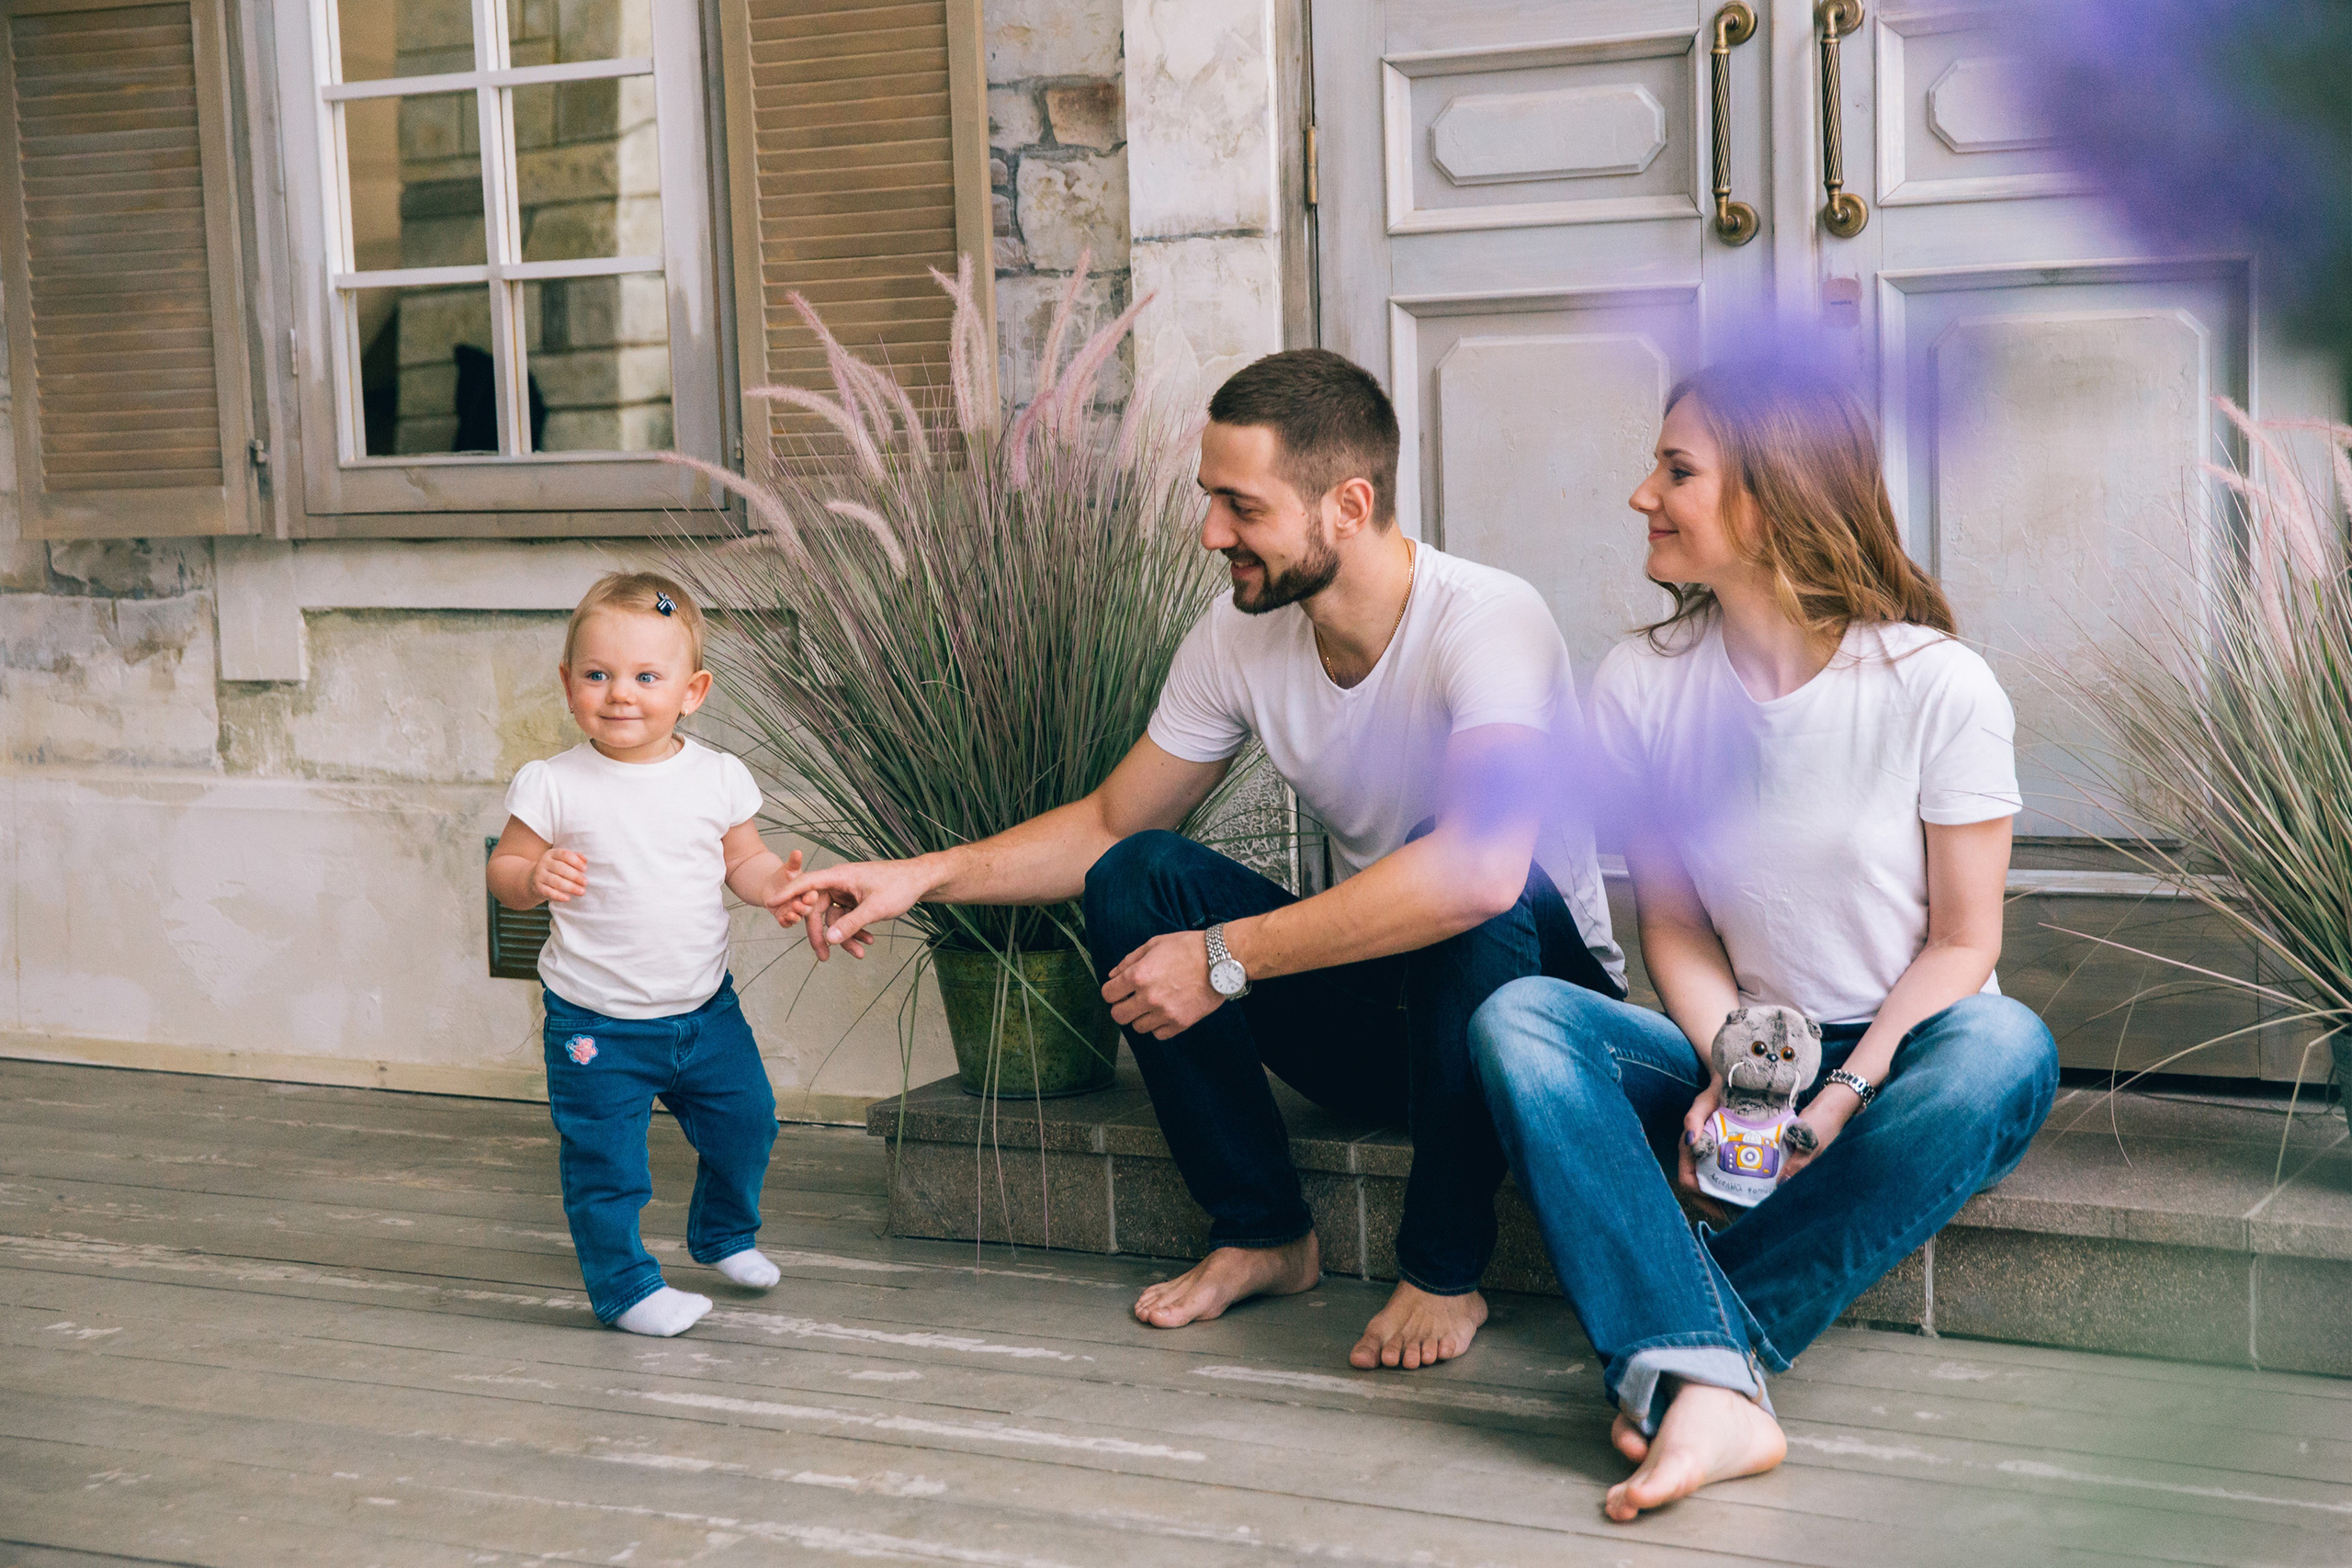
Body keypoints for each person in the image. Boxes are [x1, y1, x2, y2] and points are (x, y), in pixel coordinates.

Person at [774, 349, 1624, 1371]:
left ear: (1347, 505)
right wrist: (919, 874)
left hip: (1532, 1023)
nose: (1211, 533)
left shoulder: (1488, 620)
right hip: (1385, 1031)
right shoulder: (1237, 634)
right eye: (1206, 499)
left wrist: (1223, 959)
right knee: (1138, 872)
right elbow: (1105, 824)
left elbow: (1481, 875)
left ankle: (1442, 1268)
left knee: (1452, 860)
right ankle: (1263, 1230)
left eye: (1240, 505)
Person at [1469, 359, 2057, 1519]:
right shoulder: (1643, 683)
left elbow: (1960, 943)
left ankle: (1692, 1353)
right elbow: (1674, 922)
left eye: (1676, 470)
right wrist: (1737, 1076)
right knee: (1519, 1019)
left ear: (1772, 495)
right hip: (1737, 1042)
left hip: (1902, 1052)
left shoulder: (1939, 686)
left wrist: (1830, 1098)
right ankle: (1716, 1385)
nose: (1643, 494)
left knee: (2008, 1046)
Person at [488, 571, 806, 1337]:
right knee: (607, 1162)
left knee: (749, 1121)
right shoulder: (554, 784)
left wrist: (777, 888)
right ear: (568, 685)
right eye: (597, 674)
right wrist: (531, 875)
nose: (620, 693)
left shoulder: (718, 776)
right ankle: (626, 1286)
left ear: (691, 691)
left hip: (705, 1012)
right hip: (597, 1025)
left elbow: (746, 862)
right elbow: (504, 873)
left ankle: (724, 1232)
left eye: (645, 676)